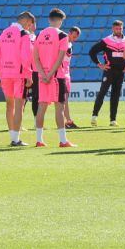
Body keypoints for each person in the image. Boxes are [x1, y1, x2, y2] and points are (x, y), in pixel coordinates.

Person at [33, 8, 76, 147]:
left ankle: (39, 140)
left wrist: (43, 74)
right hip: (57, 76)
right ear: (60, 20)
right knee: (60, 108)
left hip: (42, 76)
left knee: (42, 107)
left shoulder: (40, 34)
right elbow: (60, 58)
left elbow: (35, 58)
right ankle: (63, 140)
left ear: (49, 19)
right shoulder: (62, 35)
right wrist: (50, 74)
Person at [0, 11, 35, 146]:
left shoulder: (4, 32)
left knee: (9, 105)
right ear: (25, 21)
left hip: (5, 73)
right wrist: (28, 74)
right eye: (29, 24)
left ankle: (12, 136)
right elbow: (26, 56)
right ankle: (16, 139)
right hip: (18, 74)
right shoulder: (23, 34)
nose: (29, 27)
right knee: (19, 106)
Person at [89, 20, 125, 127]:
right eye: (116, 28)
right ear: (112, 29)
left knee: (115, 96)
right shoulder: (106, 41)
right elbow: (92, 52)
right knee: (102, 93)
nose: (118, 30)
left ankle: (113, 120)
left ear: (122, 28)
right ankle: (94, 116)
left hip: (120, 73)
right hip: (109, 71)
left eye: (120, 28)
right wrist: (99, 64)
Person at [62, 26, 81, 129]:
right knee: (62, 99)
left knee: (64, 98)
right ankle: (67, 121)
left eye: (76, 37)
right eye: (73, 36)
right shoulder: (63, 42)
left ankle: (67, 121)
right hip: (61, 73)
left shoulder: (69, 43)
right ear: (69, 33)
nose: (74, 39)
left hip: (66, 73)